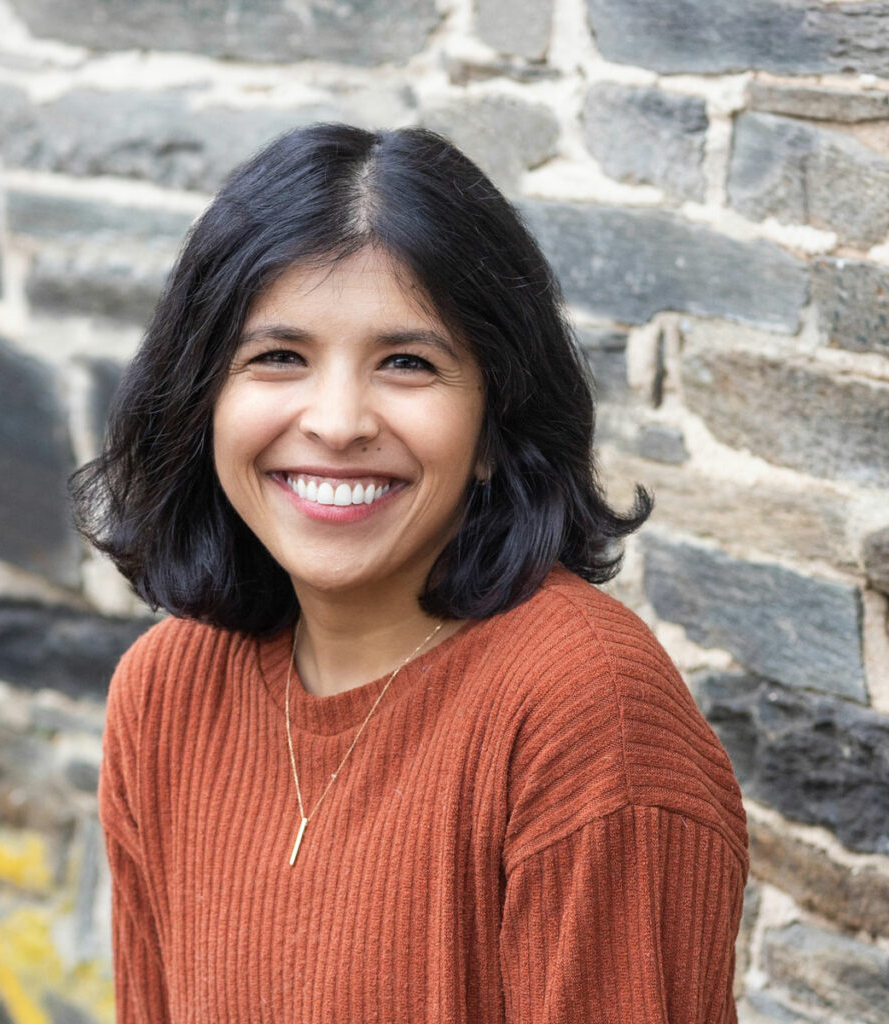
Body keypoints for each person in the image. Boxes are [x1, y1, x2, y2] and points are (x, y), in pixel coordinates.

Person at [69, 123, 749, 1023]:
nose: (339, 421)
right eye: (279, 356)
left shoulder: (588, 720)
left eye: (407, 363)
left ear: (495, 427)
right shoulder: (167, 693)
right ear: (202, 400)